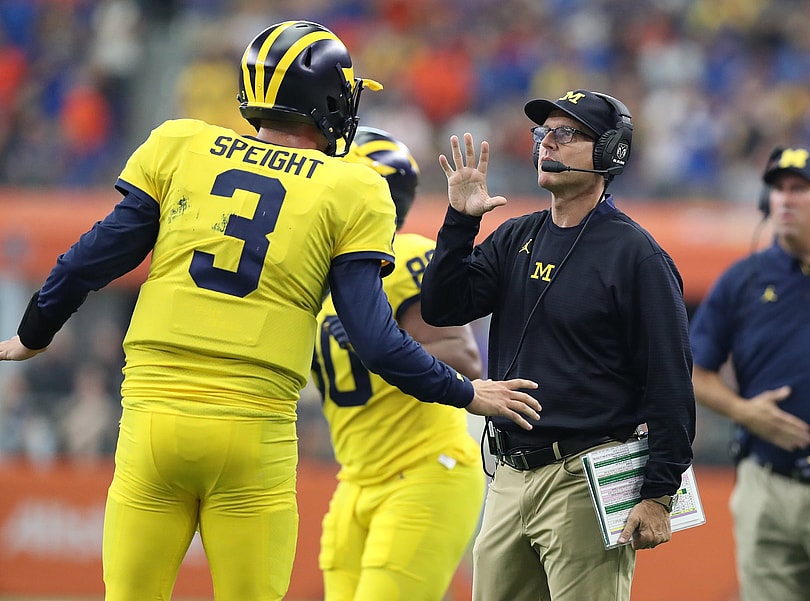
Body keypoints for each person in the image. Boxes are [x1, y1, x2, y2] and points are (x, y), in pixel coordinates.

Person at [0, 20, 540, 601]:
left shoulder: (180, 144)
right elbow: (378, 341)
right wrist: (468, 394)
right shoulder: (353, 187)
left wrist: (34, 332)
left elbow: (91, 259)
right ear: (329, 99)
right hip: (253, 429)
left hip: (153, 418)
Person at [419, 89, 696, 601]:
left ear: (611, 150)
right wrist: (460, 220)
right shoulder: (515, 234)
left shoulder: (636, 255)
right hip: (507, 474)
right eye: (542, 133)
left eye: (567, 133)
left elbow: (670, 380)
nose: (547, 143)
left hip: (587, 475)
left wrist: (660, 492)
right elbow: (442, 308)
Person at [311, 126, 486, 601]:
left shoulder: (404, 255)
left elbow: (466, 358)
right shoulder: (320, 274)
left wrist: (386, 342)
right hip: (356, 479)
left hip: (424, 469)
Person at [690, 145, 810, 601]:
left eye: (799, 189)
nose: (785, 200)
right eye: (778, 190)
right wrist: (745, 412)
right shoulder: (743, 280)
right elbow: (696, 371)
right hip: (768, 483)